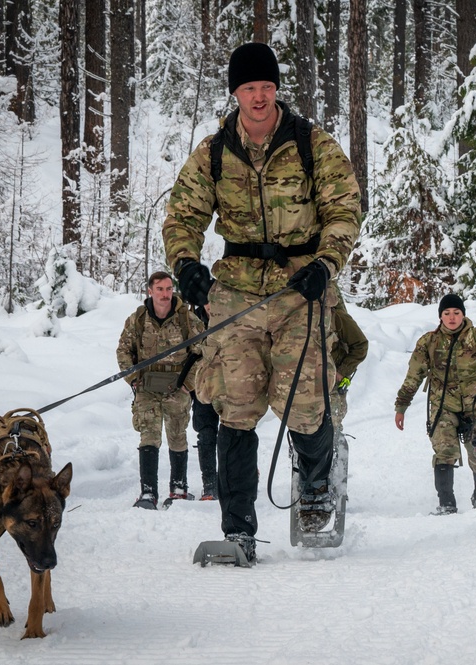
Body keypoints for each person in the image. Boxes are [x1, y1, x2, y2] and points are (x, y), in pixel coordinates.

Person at [161, 42, 361, 561]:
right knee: (236, 407)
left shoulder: (312, 144)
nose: (258, 96)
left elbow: (345, 210)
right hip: (239, 292)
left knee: (305, 404)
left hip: (302, 290)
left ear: (276, 90)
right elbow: (181, 215)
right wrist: (186, 266)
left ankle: (317, 485)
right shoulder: (213, 150)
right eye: (248, 87)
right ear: (235, 92)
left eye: (266, 87)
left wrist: (326, 262)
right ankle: (237, 528)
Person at [394, 294, 476, 515]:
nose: (452, 317)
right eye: (447, 313)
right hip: (444, 405)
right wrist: (401, 405)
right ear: (440, 316)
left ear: (463, 314)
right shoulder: (429, 342)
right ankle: (446, 503)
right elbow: (414, 375)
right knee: (444, 449)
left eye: (456, 313)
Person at [116, 271, 205, 509]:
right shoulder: (138, 319)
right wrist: (134, 379)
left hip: (178, 387)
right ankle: (148, 493)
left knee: (177, 435)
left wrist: (189, 384)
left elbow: (203, 352)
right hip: (147, 388)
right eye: (160, 290)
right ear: (149, 291)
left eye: (168, 289)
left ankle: (178, 489)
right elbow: (123, 351)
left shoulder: (187, 318)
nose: (165, 295)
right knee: (149, 436)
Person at [189, 302, 219, 501]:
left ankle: (240, 477)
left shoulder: (235, 315)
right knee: (206, 435)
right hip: (202, 388)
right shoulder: (192, 322)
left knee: (234, 435)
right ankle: (210, 484)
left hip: (233, 388)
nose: (211, 304)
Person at [330, 284, 369, 425]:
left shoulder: (337, 317)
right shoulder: (297, 319)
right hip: (306, 387)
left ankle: (336, 445)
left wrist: (342, 371)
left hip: (332, 386)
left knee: (331, 429)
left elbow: (361, 345)